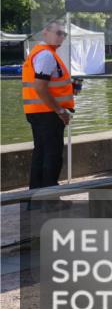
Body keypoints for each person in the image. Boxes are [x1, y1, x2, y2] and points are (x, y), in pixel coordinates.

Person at [22, 21, 75, 188]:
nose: (61, 37)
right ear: (45, 33)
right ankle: (48, 199)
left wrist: (71, 89)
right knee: (51, 156)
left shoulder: (42, 53)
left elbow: (46, 85)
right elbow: (40, 86)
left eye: (63, 34)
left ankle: (36, 197)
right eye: (58, 33)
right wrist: (60, 110)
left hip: (40, 112)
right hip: (48, 114)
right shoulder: (46, 55)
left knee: (42, 153)